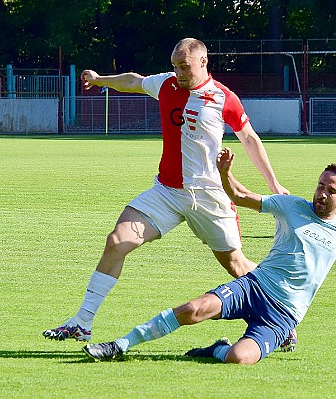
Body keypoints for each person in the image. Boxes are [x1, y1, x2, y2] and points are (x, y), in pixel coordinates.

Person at [42, 38, 290, 344]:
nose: (179, 73)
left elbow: (249, 138)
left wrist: (273, 183)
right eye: (175, 66)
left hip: (208, 196)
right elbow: (133, 80)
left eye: (184, 67)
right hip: (167, 192)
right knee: (116, 242)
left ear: (203, 62)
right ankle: (82, 322)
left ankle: (281, 315)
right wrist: (99, 79)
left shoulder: (223, 97)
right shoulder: (166, 85)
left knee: (237, 266)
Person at [82, 152, 336, 363]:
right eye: (320, 186)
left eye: (331, 190)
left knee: (238, 357)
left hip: (284, 316)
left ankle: (217, 350)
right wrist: (225, 174)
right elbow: (240, 197)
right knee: (193, 310)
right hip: (254, 286)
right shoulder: (291, 206)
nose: (322, 193)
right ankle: (120, 345)